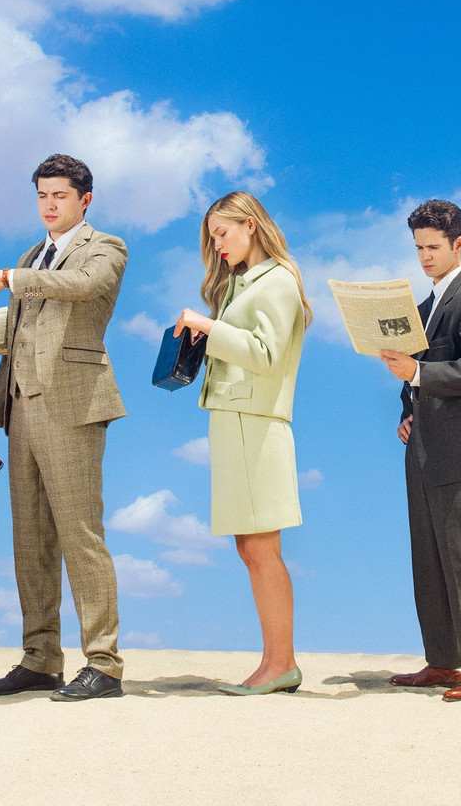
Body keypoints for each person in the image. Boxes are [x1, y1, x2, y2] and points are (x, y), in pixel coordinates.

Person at [0, 155, 129, 702]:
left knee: (80, 535)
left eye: (60, 195)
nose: (50, 204)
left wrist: (9, 277)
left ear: (85, 200)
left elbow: (81, 285)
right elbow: (15, 343)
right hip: (23, 409)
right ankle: (40, 658)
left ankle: (104, 663)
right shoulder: (33, 255)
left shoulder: (106, 247)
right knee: (30, 539)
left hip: (74, 406)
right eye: (42, 195)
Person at [174, 192, 310, 695]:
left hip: (257, 424)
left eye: (222, 233)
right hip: (235, 423)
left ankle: (281, 664)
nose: (217, 244)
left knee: (262, 548)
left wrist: (209, 328)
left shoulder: (278, 281)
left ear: (250, 225)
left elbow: (268, 354)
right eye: (211, 237)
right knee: (250, 548)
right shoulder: (240, 284)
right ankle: (276, 662)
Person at [379, 199, 461, 702]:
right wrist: (407, 409)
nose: (425, 257)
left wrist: (417, 373)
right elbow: (415, 381)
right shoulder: (422, 307)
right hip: (423, 445)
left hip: (460, 447)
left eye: (433, 247)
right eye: (418, 248)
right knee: (429, 556)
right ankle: (444, 661)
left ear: (459, 244)